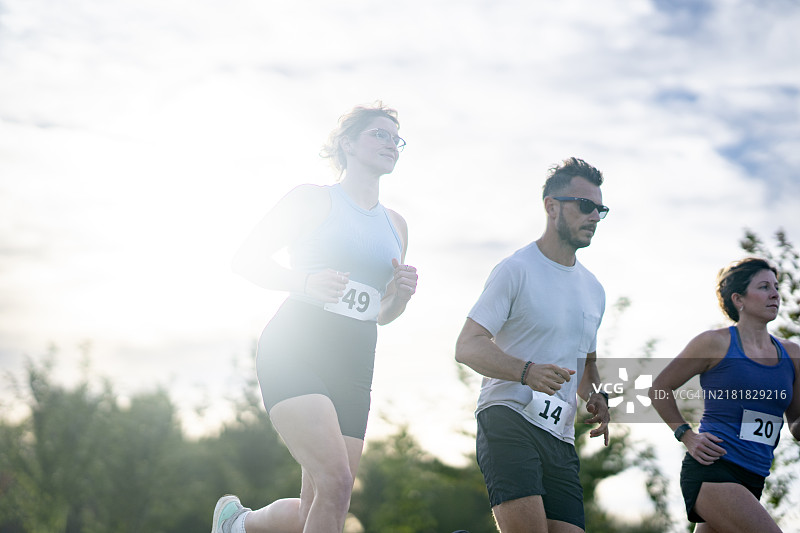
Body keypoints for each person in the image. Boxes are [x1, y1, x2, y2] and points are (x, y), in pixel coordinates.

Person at [211, 102, 418, 533]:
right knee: (337, 481)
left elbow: (381, 314)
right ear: (347, 143)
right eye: (379, 134)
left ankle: (239, 526)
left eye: (395, 138)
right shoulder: (312, 199)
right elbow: (244, 260)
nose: (390, 144)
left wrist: (399, 297)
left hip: (355, 363)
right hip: (297, 348)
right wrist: (304, 282)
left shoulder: (395, 224)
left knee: (325, 504)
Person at [455, 157, 611, 533]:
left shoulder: (595, 290)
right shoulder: (516, 269)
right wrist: (526, 372)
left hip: (560, 437)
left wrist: (597, 398)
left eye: (600, 209)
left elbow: (586, 367)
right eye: (585, 206)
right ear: (551, 206)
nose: (594, 216)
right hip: (508, 418)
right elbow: (468, 346)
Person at [650, 258, 800, 532]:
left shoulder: (792, 354)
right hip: (714, 470)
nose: (775, 294)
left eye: (776, 287)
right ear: (738, 299)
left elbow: (796, 424)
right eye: (764, 287)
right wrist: (686, 434)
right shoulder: (714, 343)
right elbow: (659, 388)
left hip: (754, 478)